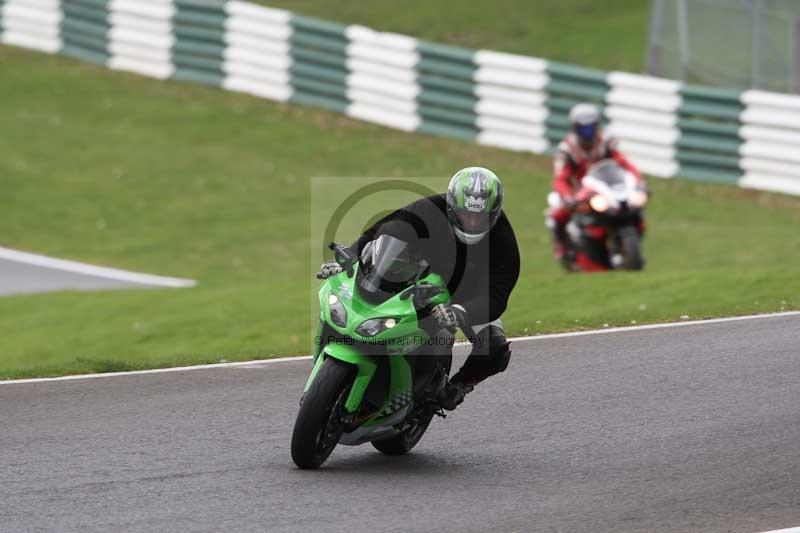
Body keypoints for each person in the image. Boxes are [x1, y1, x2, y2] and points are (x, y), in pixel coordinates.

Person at [317, 167, 520, 410]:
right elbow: (385, 228)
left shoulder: (504, 241)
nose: (472, 222)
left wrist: (461, 312)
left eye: (480, 217)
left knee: (495, 348)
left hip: (467, 297)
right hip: (422, 276)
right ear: (452, 205)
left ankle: (458, 386)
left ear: (494, 213)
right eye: (465, 214)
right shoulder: (431, 207)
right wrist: (350, 255)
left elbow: (497, 296)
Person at [547, 103, 644, 264]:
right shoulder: (566, 150)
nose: (588, 133)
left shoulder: (606, 142)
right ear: (575, 128)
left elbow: (624, 163)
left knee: (633, 206)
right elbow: (561, 179)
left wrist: (638, 181)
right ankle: (562, 248)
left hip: (607, 187)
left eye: (591, 128)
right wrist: (567, 197)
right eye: (584, 129)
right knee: (558, 214)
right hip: (579, 192)